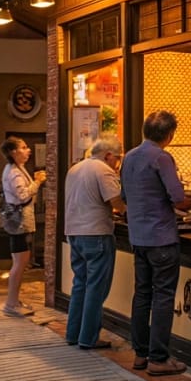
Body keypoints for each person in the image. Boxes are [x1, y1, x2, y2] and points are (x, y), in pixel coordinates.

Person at [121, 110, 191, 376]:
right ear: (170, 135)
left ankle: (140, 354)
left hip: (138, 237)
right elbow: (178, 198)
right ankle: (159, 359)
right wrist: (186, 203)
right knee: (163, 297)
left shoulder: (129, 157)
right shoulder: (162, 157)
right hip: (161, 238)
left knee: (142, 295)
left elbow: (124, 195)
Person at [63, 134, 126, 350]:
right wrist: (129, 211)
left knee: (80, 284)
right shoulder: (103, 170)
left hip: (74, 232)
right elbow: (116, 202)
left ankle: (73, 333)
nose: (117, 163)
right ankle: (88, 338)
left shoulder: (75, 168)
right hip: (96, 233)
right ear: (109, 155)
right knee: (96, 288)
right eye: (118, 158)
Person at [0, 136, 46, 317]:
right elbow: (23, 196)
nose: (28, 150)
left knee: (21, 262)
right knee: (19, 264)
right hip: (18, 222)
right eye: (24, 147)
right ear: (13, 152)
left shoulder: (17, 169)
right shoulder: (14, 173)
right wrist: (38, 182)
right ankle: (11, 303)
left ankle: (14, 301)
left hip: (19, 222)